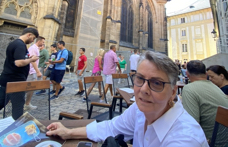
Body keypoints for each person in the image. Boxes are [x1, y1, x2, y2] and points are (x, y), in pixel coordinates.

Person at [46, 51, 209, 146]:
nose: (144, 89)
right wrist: (69, 132)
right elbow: (110, 128)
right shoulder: (140, 110)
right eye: (139, 79)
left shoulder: (184, 138)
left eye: (157, 83)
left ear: (173, 92)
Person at [182, 60, 228, 141]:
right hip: (223, 139)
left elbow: (192, 125)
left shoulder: (189, 89)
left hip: (208, 140)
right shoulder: (216, 87)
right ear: (206, 74)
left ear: (187, 74)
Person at [0, 27, 39, 119]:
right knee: (18, 108)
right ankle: (17, 128)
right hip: (15, 81)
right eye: (33, 38)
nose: (32, 40)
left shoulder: (15, 43)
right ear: (28, 34)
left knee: (2, 101)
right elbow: (19, 63)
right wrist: (31, 60)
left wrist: (28, 58)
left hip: (9, 79)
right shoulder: (20, 45)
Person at [24, 36, 45, 111]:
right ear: (38, 41)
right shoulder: (33, 48)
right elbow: (32, 60)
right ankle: (14, 98)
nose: (43, 43)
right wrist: (38, 71)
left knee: (31, 88)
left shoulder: (36, 48)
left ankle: (27, 103)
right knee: (28, 88)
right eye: (42, 42)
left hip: (32, 71)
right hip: (31, 71)